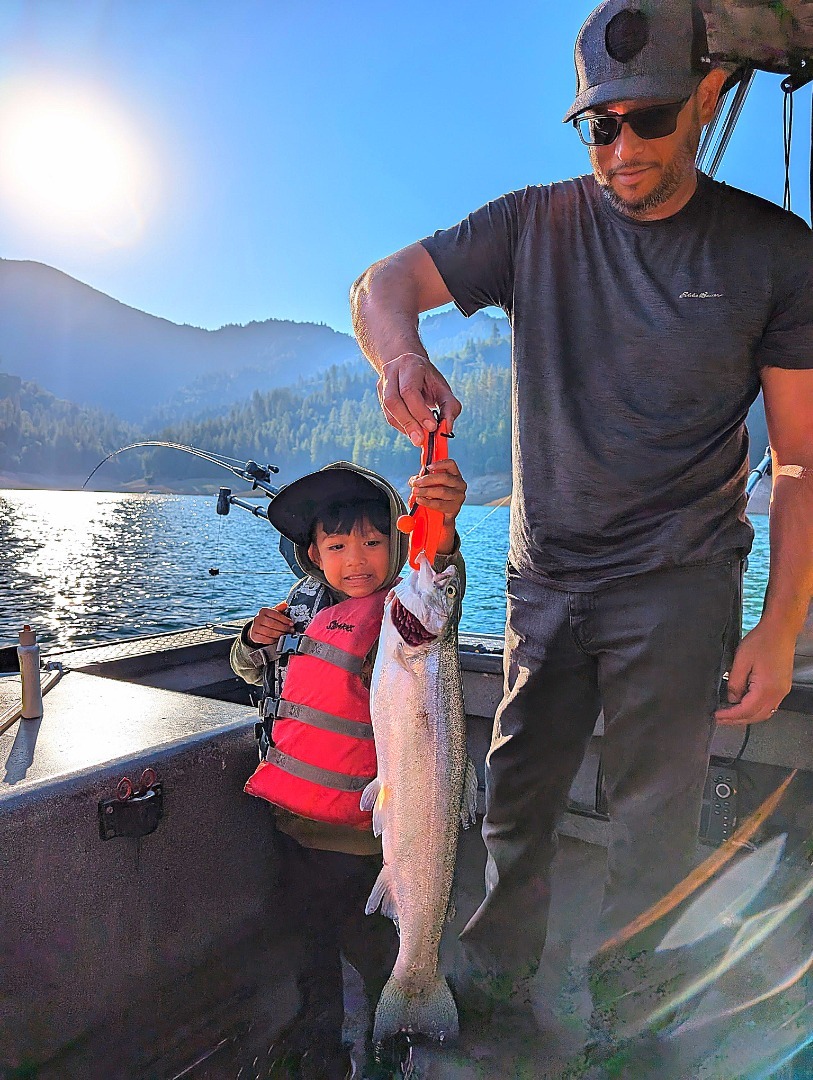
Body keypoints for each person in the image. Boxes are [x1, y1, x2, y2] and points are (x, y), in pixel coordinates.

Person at [349, 0, 813, 1047]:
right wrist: (401, 358)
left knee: (657, 824)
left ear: (707, 96)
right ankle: (481, 987)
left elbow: (797, 460)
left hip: (680, 581)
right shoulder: (533, 223)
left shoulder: (776, 254)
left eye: (648, 118)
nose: (623, 148)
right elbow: (383, 284)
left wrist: (777, 626)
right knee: (512, 796)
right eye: (599, 125)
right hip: (543, 573)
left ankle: (632, 1023)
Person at [231, 459, 467, 1079]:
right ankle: (319, 1039)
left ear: (398, 543)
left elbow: (443, 574)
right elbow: (257, 676)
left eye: (373, 540)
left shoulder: (406, 611)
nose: (356, 559)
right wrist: (254, 642)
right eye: (337, 545)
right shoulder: (298, 610)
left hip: (368, 838)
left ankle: (394, 1035)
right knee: (309, 945)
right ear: (312, 553)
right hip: (295, 826)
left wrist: (440, 534)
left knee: (372, 947)